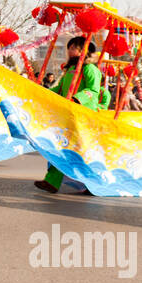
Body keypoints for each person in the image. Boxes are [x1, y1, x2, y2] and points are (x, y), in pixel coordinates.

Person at [35, 37, 101, 194]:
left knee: (82, 151)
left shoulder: (90, 69)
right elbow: (59, 89)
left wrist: (77, 99)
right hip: (67, 115)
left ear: (83, 51)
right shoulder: (69, 70)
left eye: (74, 48)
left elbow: (93, 91)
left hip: (81, 117)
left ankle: (92, 185)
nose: (70, 51)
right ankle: (52, 181)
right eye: (70, 48)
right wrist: (41, 93)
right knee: (61, 148)